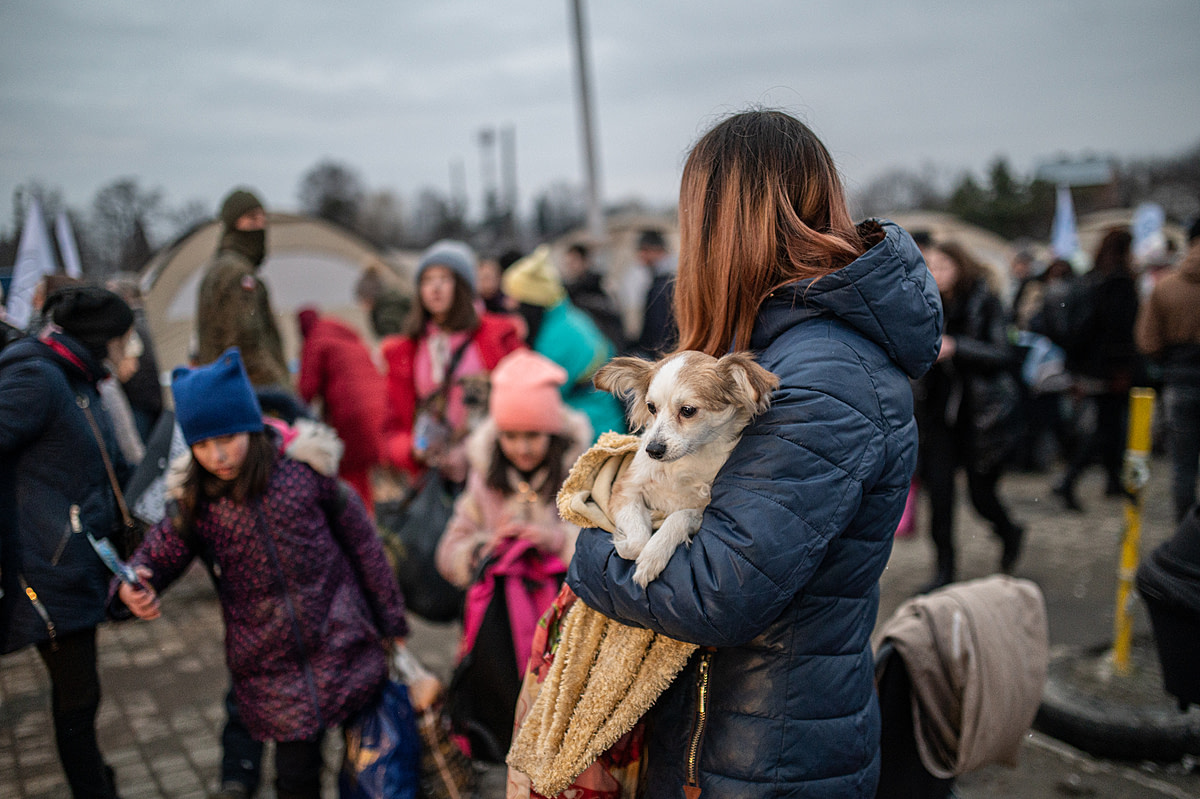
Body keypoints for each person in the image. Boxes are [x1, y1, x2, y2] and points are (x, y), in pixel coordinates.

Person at [565, 110, 942, 798]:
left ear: (724, 228)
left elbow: (717, 589)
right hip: (735, 737)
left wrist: (586, 555)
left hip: (769, 757)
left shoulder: (825, 372)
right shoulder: (782, 346)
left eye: (694, 222)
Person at [110, 348, 408, 799]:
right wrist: (130, 585)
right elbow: (157, 554)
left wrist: (391, 622)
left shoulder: (305, 474)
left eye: (227, 438)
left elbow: (364, 545)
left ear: (249, 423)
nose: (218, 455)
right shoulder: (196, 503)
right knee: (295, 779)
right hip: (271, 670)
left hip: (343, 641)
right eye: (203, 445)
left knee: (371, 769)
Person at [1, 285, 135, 799]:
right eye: (125, 340)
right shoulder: (36, 377)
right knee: (77, 698)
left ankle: (98, 781)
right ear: (102, 340)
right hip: (44, 569)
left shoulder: (73, 378)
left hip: (69, 558)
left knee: (82, 695)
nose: (131, 352)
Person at [435, 349, 590, 761]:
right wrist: (482, 548)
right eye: (511, 436)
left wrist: (556, 538)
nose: (522, 448)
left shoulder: (580, 474)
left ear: (553, 434)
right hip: (499, 631)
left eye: (533, 435)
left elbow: (601, 542)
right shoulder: (485, 479)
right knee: (504, 712)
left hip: (563, 624)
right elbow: (450, 548)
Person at [915, 242, 1026, 590]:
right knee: (940, 498)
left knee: (982, 497)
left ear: (961, 266)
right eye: (929, 266)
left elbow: (1003, 353)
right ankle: (944, 568)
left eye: (943, 265)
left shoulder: (985, 301)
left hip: (980, 418)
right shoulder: (924, 302)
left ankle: (1009, 532)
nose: (936, 273)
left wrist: (957, 347)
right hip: (938, 417)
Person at [380, 239, 524, 484]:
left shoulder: (499, 336)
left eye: (445, 279)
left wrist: (474, 451)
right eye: (426, 280)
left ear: (464, 286)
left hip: (494, 468)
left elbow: (524, 402)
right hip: (435, 473)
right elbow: (391, 425)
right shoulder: (407, 349)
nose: (435, 288)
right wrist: (412, 451)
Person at [195, 188, 305, 423]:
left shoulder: (219, 269)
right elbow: (245, 344)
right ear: (234, 224)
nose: (261, 227)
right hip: (252, 397)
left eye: (263, 219)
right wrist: (283, 392)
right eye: (252, 219)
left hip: (231, 393)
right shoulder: (237, 274)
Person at [1052, 228, 1142, 512]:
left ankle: (1111, 481)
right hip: (1110, 368)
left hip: (1093, 365)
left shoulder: (1094, 278)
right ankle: (1069, 479)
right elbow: (1118, 331)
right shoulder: (1118, 283)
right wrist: (1121, 368)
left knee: (1109, 426)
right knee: (1106, 427)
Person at [502, 245, 627, 440]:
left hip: (593, 428)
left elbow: (539, 397)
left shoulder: (557, 337)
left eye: (515, 300)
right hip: (600, 415)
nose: (508, 305)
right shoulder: (562, 317)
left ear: (531, 302)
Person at [1135, 218, 1200, 521]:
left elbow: (1147, 342)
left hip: (1180, 379)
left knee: (1183, 467)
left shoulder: (1165, 287)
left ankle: (1186, 541)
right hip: (1181, 374)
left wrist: (1170, 360)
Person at [296, 306, 387, 514]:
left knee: (350, 474)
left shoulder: (316, 340)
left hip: (351, 416)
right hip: (377, 408)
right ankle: (368, 521)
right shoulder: (346, 335)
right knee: (362, 473)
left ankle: (359, 526)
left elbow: (306, 390)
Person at [561, 242, 627, 353]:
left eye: (573, 262)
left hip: (606, 347)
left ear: (585, 261)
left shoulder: (600, 285)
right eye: (568, 263)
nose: (570, 266)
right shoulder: (569, 292)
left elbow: (613, 317)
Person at [631, 228, 678, 357]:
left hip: (661, 353)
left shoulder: (666, 283)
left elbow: (661, 328)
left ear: (657, 251)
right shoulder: (659, 280)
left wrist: (660, 355)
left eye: (644, 250)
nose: (641, 256)